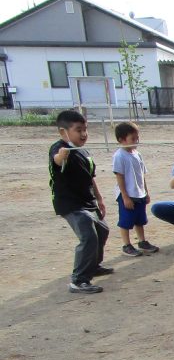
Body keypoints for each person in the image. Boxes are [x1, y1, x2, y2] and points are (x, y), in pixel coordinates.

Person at [49, 109, 112, 294]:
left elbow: (90, 177)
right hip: (71, 204)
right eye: (78, 130)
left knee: (102, 230)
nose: (84, 134)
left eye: (85, 129)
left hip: (88, 201)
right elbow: (57, 160)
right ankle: (79, 280)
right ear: (63, 132)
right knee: (88, 236)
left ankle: (93, 265)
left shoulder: (83, 151)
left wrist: (99, 198)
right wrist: (62, 155)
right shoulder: (60, 147)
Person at [112, 122, 158, 257]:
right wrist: (125, 196)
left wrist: (146, 192)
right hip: (128, 194)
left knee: (140, 219)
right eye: (133, 138)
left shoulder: (137, 154)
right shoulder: (119, 156)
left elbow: (142, 175)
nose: (136, 141)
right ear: (121, 140)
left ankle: (142, 241)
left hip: (140, 193)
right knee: (126, 220)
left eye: (137, 138)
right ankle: (126, 244)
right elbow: (119, 177)